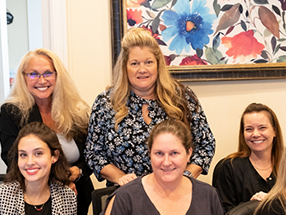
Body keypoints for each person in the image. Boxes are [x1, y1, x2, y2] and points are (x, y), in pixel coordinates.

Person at [85, 27, 215, 187]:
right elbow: (93, 154)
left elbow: (206, 144)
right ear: (125, 67)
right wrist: (120, 177)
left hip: (175, 191)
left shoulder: (182, 97)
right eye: (134, 63)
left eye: (148, 62)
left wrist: (187, 176)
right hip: (126, 196)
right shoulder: (106, 103)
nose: (142, 69)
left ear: (158, 64)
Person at [0, 48, 93, 215]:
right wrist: (59, 181)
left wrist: (77, 172)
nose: (42, 80)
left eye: (48, 73)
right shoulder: (11, 112)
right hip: (33, 197)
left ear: (58, 76)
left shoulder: (76, 110)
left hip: (76, 194)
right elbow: (12, 159)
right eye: (33, 74)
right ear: (23, 77)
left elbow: (92, 153)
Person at [97, 119, 225, 215]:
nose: (166, 162)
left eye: (174, 153)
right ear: (150, 154)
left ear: (188, 153)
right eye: (159, 153)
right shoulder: (124, 197)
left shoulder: (209, 195)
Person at [212, 103, 283, 212]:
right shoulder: (229, 167)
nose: (255, 134)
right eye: (249, 129)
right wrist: (248, 208)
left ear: (274, 131)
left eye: (262, 128)